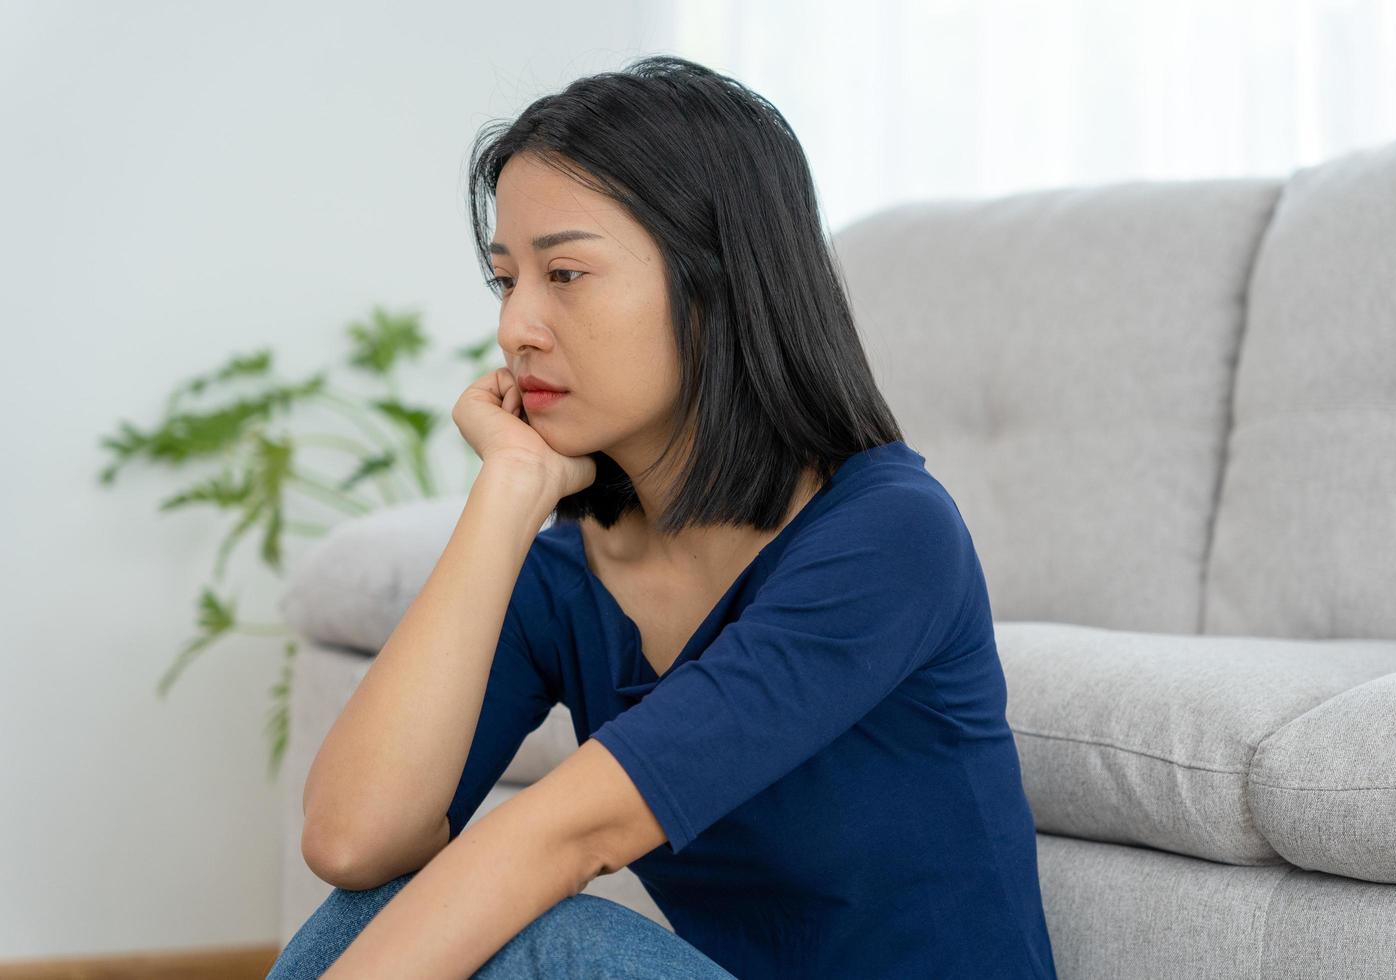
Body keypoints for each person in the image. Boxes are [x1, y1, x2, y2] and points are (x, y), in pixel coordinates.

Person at [271, 53, 1058, 978]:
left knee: (560, 939)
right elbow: (355, 842)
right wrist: (506, 494)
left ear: (713, 285)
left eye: (564, 273)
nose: (515, 327)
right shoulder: (577, 575)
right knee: (383, 903)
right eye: (505, 281)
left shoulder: (888, 538)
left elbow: (564, 839)